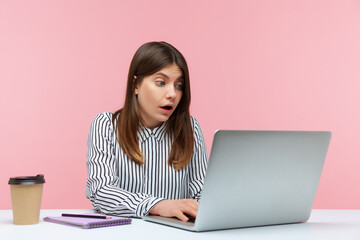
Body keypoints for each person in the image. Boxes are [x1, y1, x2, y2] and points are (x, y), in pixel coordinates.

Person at [86, 41, 208, 222]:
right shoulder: (106, 125)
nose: (172, 94)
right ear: (135, 85)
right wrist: (158, 205)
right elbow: (101, 191)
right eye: (161, 82)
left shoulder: (191, 128)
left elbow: (202, 192)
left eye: (179, 85)